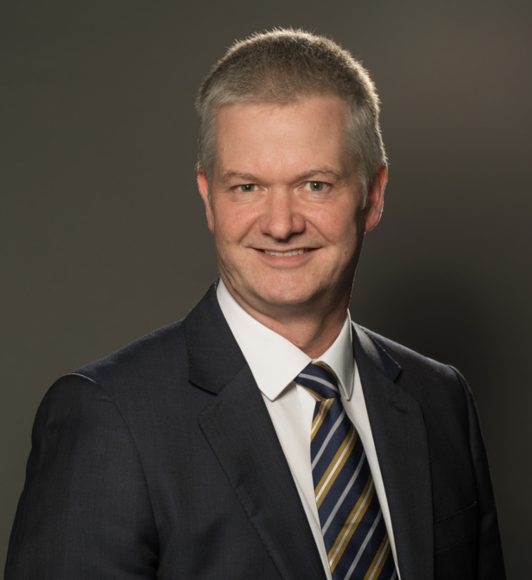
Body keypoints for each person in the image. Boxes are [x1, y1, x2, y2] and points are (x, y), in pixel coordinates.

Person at [5, 29, 505, 579]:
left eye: (315, 185)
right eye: (247, 187)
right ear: (209, 198)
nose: (281, 224)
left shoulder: (440, 400)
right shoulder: (109, 421)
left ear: (374, 194)